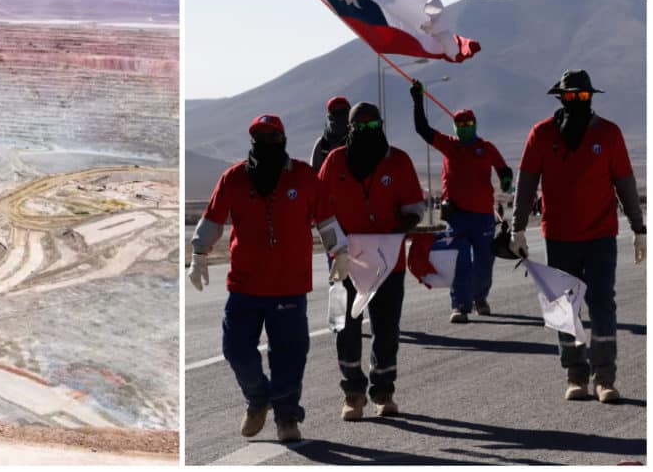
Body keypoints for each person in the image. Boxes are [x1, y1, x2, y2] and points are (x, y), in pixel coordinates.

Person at [188, 114, 351, 442]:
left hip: (289, 287)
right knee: (235, 349)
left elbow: (326, 219)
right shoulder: (234, 179)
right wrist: (199, 254)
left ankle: (287, 417)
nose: (266, 143)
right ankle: (258, 398)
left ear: (283, 140)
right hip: (245, 286)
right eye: (260, 137)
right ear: (253, 142)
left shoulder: (304, 177)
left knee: (290, 354)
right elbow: (213, 217)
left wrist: (340, 252)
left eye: (272, 137)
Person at [510, 69, 646, 403]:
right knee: (564, 307)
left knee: (602, 305)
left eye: (583, 96)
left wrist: (639, 228)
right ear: (561, 97)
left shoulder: (609, 134)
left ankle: (604, 377)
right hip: (559, 235)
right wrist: (516, 227)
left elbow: (625, 183)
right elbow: (526, 184)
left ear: (591, 98)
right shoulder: (541, 135)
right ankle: (575, 374)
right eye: (570, 96)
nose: (577, 101)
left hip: (600, 235)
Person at [317, 103, 425, 421]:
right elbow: (321, 211)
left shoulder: (399, 161)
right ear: (349, 131)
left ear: (381, 125)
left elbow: (414, 208)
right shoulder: (334, 162)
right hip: (342, 260)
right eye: (359, 128)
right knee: (343, 326)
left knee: (386, 328)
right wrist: (336, 248)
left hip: (388, 261)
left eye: (372, 126)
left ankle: (383, 392)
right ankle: (352, 394)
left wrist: (397, 233)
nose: (366, 133)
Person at [410, 80, 514, 322]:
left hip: (483, 217)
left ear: (475, 124)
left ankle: (480, 297)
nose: (464, 126)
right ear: (454, 126)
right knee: (460, 261)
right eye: (459, 123)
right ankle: (460, 306)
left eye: (468, 123)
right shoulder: (449, 145)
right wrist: (417, 100)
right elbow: (422, 129)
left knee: (484, 262)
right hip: (457, 216)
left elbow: (503, 169)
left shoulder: (485, 148)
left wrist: (507, 181)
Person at [310, 96, 351, 172]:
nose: (340, 116)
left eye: (343, 112)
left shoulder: (357, 141)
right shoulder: (321, 145)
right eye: (335, 113)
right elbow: (313, 178)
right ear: (329, 116)